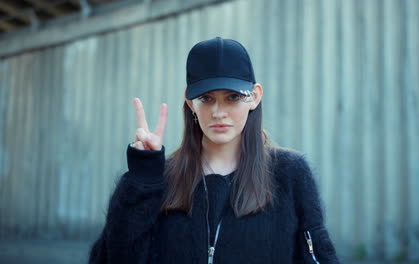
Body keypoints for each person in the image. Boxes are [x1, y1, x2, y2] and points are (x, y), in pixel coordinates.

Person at [88, 37, 340, 264]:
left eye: (232, 97)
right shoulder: (160, 179)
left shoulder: (290, 173)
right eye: (206, 98)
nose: (219, 112)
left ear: (254, 97)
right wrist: (141, 179)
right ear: (190, 101)